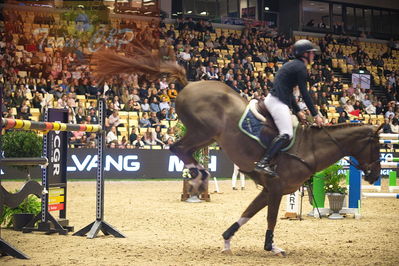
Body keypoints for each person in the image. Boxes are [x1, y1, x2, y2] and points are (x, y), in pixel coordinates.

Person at [255, 39, 324, 177]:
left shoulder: (293, 65)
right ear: (305, 54)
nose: (313, 56)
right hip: (277, 102)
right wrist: (316, 115)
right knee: (287, 133)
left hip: (276, 99)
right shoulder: (300, 68)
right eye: (311, 53)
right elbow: (304, 93)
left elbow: (289, 92)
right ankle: (263, 162)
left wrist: (298, 111)